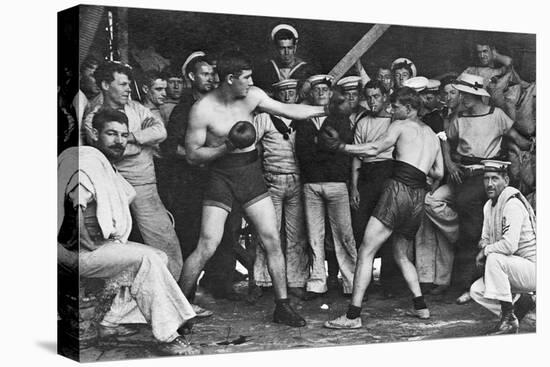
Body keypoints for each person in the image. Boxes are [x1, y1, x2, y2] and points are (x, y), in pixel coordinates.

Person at [180, 50, 328, 327]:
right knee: (207, 243)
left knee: (271, 238)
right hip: (220, 176)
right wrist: (226, 146)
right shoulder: (202, 110)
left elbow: (290, 110)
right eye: (246, 78)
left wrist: (325, 109)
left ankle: (282, 307)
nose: (251, 82)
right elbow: (192, 155)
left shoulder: (253, 95)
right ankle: (180, 307)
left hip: (250, 173)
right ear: (230, 79)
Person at [58, 108, 198, 355]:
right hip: (72, 252)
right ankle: (167, 335)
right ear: (93, 133)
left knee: (159, 257)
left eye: (123, 135)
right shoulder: (88, 160)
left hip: (92, 247)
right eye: (111, 134)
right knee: (146, 259)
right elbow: (75, 206)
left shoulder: (105, 165)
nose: (119, 141)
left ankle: (109, 322)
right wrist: (85, 241)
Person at [322, 87, 444, 329]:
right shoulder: (431, 134)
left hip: (398, 190)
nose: (391, 110)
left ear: (409, 108)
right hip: (417, 195)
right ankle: (422, 308)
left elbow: (374, 149)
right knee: (401, 253)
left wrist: (340, 147)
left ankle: (352, 316)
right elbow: (438, 172)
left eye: (396, 106)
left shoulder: (400, 125)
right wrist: (416, 166)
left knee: (366, 250)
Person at [82, 61, 183, 282]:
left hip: (144, 184)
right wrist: (140, 143)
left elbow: (160, 131)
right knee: (114, 245)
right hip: (112, 189)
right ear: (106, 85)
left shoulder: (137, 108)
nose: (129, 88)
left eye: (129, 84)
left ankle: (180, 299)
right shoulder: (93, 115)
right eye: (123, 84)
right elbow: (112, 150)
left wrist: (132, 138)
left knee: (166, 242)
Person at [446, 73, 532, 304]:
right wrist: (449, 162)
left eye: (466, 94)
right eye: (462, 94)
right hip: (467, 176)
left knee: (490, 232)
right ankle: (470, 286)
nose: (462, 98)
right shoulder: (459, 118)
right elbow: (444, 138)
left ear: (476, 95)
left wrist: (531, 145)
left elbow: (517, 138)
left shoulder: (497, 116)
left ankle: (496, 285)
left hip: (491, 176)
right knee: (470, 233)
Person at [165, 51, 242, 301]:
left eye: (212, 74)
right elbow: (170, 147)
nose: (210, 79)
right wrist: (195, 156)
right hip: (191, 181)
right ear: (191, 76)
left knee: (227, 231)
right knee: (191, 234)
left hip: (219, 177)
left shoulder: (219, 105)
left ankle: (221, 284)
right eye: (204, 74)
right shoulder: (184, 109)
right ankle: (186, 294)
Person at [294, 75, 358, 300]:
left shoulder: (340, 118)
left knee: (344, 235)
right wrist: (325, 148)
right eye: (317, 89)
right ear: (311, 94)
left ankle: (352, 284)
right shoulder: (303, 119)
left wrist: (320, 148)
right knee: (314, 235)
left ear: (331, 93)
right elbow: (302, 152)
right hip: (311, 183)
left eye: (325, 89)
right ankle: (317, 283)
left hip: (336, 182)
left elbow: (344, 150)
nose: (321, 92)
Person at [252, 78, 309, 300]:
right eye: (283, 93)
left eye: (291, 92)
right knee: (267, 232)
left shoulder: (302, 117)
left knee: (297, 234)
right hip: (272, 180)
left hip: (297, 180)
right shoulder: (264, 118)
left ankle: (295, 281)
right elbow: (253, 148)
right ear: (276, 95)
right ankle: (263, 280)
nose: (287, 96)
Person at [469, 160, 536, 335]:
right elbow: (484, 240)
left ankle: (508, 318)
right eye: (486, 179)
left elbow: (509, 245)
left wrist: (485, 251)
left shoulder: (511, 204)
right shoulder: (488, 206)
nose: (489, 184)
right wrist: (485, 247)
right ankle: (519, 307)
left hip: (534, 269)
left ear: (506, 180)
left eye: (495, 178)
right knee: (477, 291)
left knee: (494, 258)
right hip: (514, 268)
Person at [350, 80, 398, 297]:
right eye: (369, 97)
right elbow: (357, 159)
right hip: (367, 178)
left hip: (388, 175)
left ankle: (389, 284)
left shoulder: (395, 122)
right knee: (361, 228)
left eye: (376, 96)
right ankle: (364, 283)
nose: (372, 101)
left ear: (385, 96)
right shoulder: (362, 123)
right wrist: (354, 188)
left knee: (388, 228)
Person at [254, 24, 317, 97]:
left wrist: (310, 82)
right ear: (276, 49)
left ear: (295, 48)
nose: (286, 52)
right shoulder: (266, 69)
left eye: (290, 48)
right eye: (282, 48)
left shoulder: (307, 69)